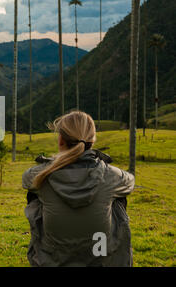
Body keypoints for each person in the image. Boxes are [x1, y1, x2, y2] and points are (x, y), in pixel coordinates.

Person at [22, 111, 135, 267]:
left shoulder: (42, 175)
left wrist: (53, 163)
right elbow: (130, 181)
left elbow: (26, 178)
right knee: (117, 200)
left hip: (54, 262)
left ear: (61, 140)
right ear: (92, 141)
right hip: (100, 259)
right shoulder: (111, 176)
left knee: (36, 196)